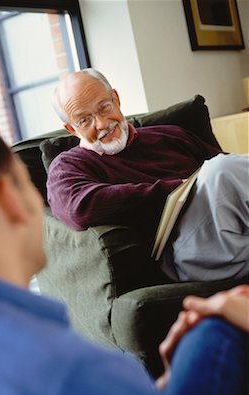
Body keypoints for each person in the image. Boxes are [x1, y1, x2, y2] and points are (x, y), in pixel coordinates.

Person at [0, 109, 247, 395]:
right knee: (217, 332)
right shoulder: (66, 373)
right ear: (8, 198)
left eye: (105, 106)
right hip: (182, 251)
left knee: (207, 339)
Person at [48, 68, 249, 282]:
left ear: (116, 99)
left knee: (225, 168)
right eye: (84, 120)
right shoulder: (68, 166)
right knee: (218, 171)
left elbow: (237, 176)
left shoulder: (170, 134)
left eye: (104, 107)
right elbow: (80, 207)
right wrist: (181, 188)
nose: (101, 123)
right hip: (182, 250)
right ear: (71, 128)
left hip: (231, 228)